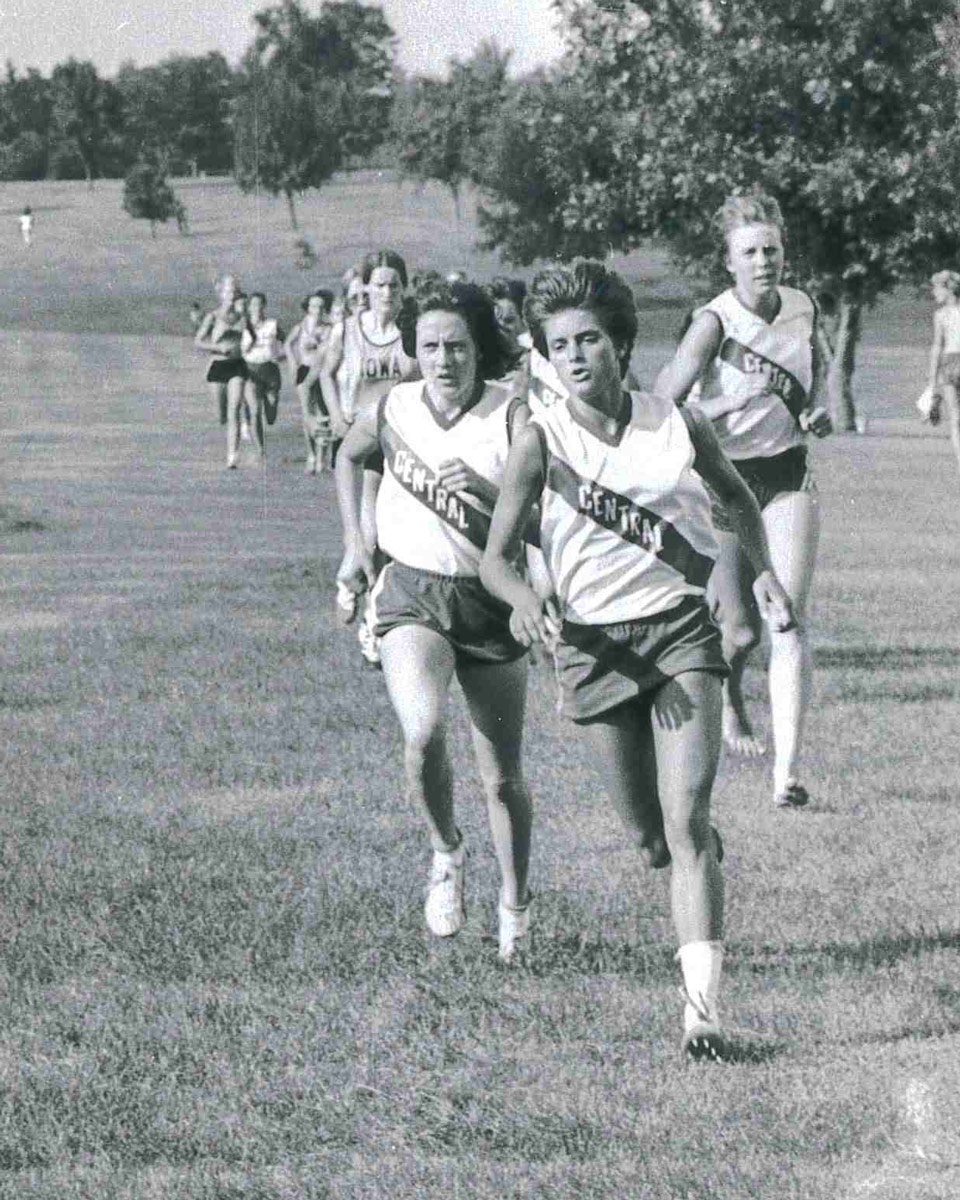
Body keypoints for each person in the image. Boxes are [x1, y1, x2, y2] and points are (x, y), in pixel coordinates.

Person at [479, 259, 795, 1059]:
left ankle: (703, 1013)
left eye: (590, 338)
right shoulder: (537, 442)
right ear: (546, 358)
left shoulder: (675, 423)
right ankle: (693, 867)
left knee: (688, 818)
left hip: (682, 635)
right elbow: (496, 558)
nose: (577, 356)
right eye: (560, 345)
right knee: (653, 839)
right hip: (593, 648)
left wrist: (756, 580)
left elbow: (735, 500)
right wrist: (522, 600)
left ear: (621, 342)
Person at [335, 278, 534, 961]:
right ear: (415, 350)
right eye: (430, 347)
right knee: (422, 731)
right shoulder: (392, 406)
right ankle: (445, 851)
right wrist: (358, 545)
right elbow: (349, 455)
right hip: (414, 592)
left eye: (457, 346)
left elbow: (543, 519)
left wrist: (481, 492)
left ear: (480, 348)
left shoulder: (514, 414)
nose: (444, 360)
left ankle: (515, 908)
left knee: (502, 775)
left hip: (493, 600)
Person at [654, 192, 832, 808]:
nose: (764, 261)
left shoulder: (804, 308)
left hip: (785, 476)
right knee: (738, 632)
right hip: (723, 486)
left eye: (772, 249)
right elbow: (661, 404)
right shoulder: (714, 322)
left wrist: (817, 406)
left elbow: (820, 366)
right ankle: (730, 704)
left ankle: (786, 774)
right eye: (750, 252)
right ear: (729, 263)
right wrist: (731, 402)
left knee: (789, 618)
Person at [321, 250, 420, 648]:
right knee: (366, 533)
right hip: (353, 440)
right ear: (365, 287)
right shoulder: (347, 330)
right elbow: (324, 374)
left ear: (404, 288)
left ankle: (361, 601)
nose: (387, 291)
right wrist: (336, 415)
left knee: (377, 534)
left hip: (391, 441)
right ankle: (365, 608)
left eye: (395, 284)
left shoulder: (410, 333)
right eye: (380, 283)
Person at [194, 274, 248, 468]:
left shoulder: (243, 317)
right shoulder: (213, 317)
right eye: (228, 291)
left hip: (238, 365)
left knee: (235, 409)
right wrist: (218, 348)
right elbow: (198, 341)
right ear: (221, 293)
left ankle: (232, 455)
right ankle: (231, 441)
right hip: (218, 366)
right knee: (222, 415)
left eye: (234, 290)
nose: (231, 294)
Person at [284, 290, 336, 474]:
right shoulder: (301, 326)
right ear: (308, 308)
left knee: (323, 412)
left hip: (322, 373)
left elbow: (327, 351)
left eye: (321, 306)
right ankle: (311, 454)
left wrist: (319, 344)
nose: (317, 310)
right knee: (307, 413)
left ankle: (322, 456)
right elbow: (288, 344)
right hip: (304, 370)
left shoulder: (329, 328)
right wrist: (292, 361)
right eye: (314, 306)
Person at [240, 292, 286, 458]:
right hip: (250, 370)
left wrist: (280, 353)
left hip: (270, 371)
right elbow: (235, 348)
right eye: (253, 305)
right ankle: (260, 449)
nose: (256, 308)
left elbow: (285, 343)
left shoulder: (272, 325)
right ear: (249, 307)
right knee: (255, 410)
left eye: (260, 304)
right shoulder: (243, 326)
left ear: (264, 306)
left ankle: (266, 408)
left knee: (271, 416)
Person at [927, 270, 960, 465]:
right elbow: (937, 346)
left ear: (948, 289)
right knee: (955, 417)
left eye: (937, 288)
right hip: (950, 364)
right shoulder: (940, 315)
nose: (934, 293)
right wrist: (932, 381)